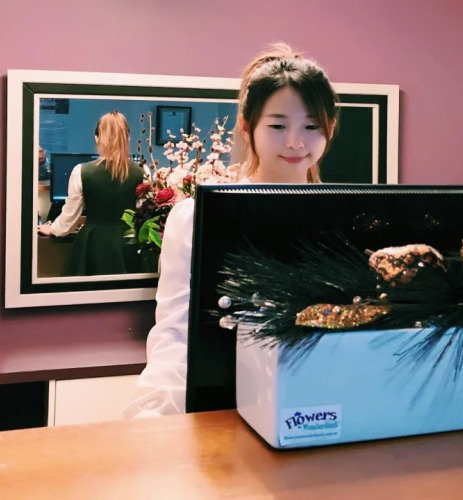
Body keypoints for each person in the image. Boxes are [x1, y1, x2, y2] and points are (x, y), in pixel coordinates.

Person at [123, 42, 339, 418]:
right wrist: (154, 414)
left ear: (329, 128)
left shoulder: (346, 220)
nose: (295, 141)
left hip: (327, 407)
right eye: (277, 125)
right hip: (226, 413)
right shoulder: (195, 217)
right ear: (246, 125)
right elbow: (177, 332)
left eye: (311, 126)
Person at [37, 112, 143, 276]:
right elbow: (143, 212)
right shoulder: (142, 171)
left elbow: (70, 217)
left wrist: (53, 229)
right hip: (128, 244)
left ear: (97, 138)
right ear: (128, 138)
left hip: (92, 244)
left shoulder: (81, 171)